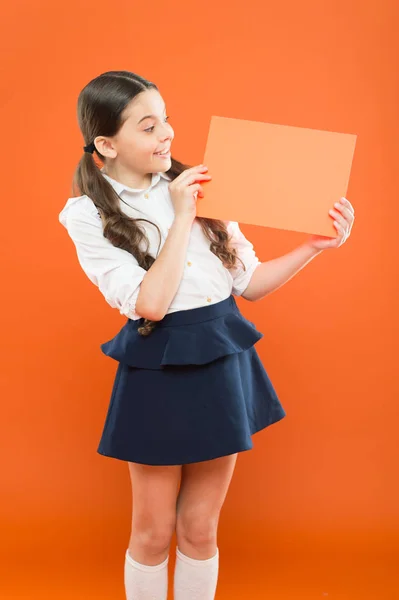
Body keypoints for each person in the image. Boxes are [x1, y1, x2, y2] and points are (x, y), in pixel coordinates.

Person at [58, 70, 355, 600]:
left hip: (220, 356)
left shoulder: (205, 184)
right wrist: (180, 215)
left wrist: (314, 245)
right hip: (158, 364)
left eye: (166, 119)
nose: (166, 135)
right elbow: (148, 302)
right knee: (151, 535)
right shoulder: (87, 214)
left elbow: (251, 285)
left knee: (200, 530)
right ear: (106, 144)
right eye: (148, 127)